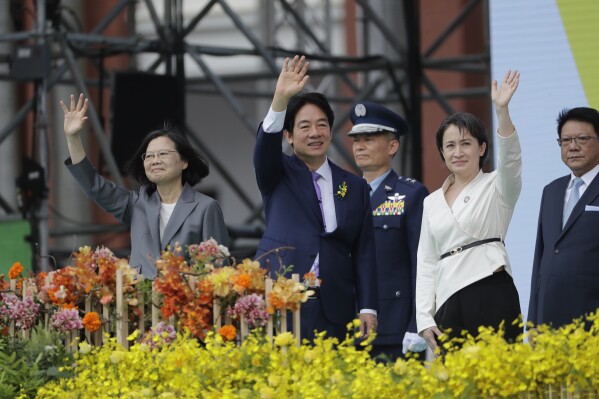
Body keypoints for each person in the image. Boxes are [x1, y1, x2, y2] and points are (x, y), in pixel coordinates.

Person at [253, 55, 378, 342]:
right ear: (289, 136)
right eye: (305, 126)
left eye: (322, 125)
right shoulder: (276, 172)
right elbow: (264, 149)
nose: (314, 133)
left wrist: (368, 306)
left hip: (336, 304)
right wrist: (280, 100)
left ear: (330, 132)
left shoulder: (355, 185)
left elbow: (364, 251)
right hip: (282, 298)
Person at [61, 94, 229, 278]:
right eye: (149, 156)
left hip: (185, 305)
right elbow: (95, 186)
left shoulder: (206, 208)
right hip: (140, 303)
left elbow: (218, 271)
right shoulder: (138, 204)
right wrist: (73, 138)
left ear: (184, 162)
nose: (155, 161)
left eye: (163, 154)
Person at [416, 70, 522, 352]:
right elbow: (426, 261)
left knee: (499, 382)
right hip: (447, 299)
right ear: (441, 152)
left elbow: (511, 160)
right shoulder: (432, 201)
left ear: (482, 148)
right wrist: (424, 317)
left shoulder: (497, 185)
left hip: (490, 289)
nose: (457, 152)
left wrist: (502, 111)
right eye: (449, 145)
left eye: (466, 143)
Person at [348, 102, 429, 361]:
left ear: (392, 146)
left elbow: (422, 265)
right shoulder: (344, 195)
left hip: (395, 329)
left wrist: (417, 325)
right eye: (356, 140)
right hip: (349, 329)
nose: (360, 146)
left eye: (369, 139)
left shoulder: (411, 193)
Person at [528, 107, 599, 329]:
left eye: (582, 139)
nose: (573, 146)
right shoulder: (551, 191)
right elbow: (541, 257)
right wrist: (532, 322)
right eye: (566, 140)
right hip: (549, 318)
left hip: (591, 317)